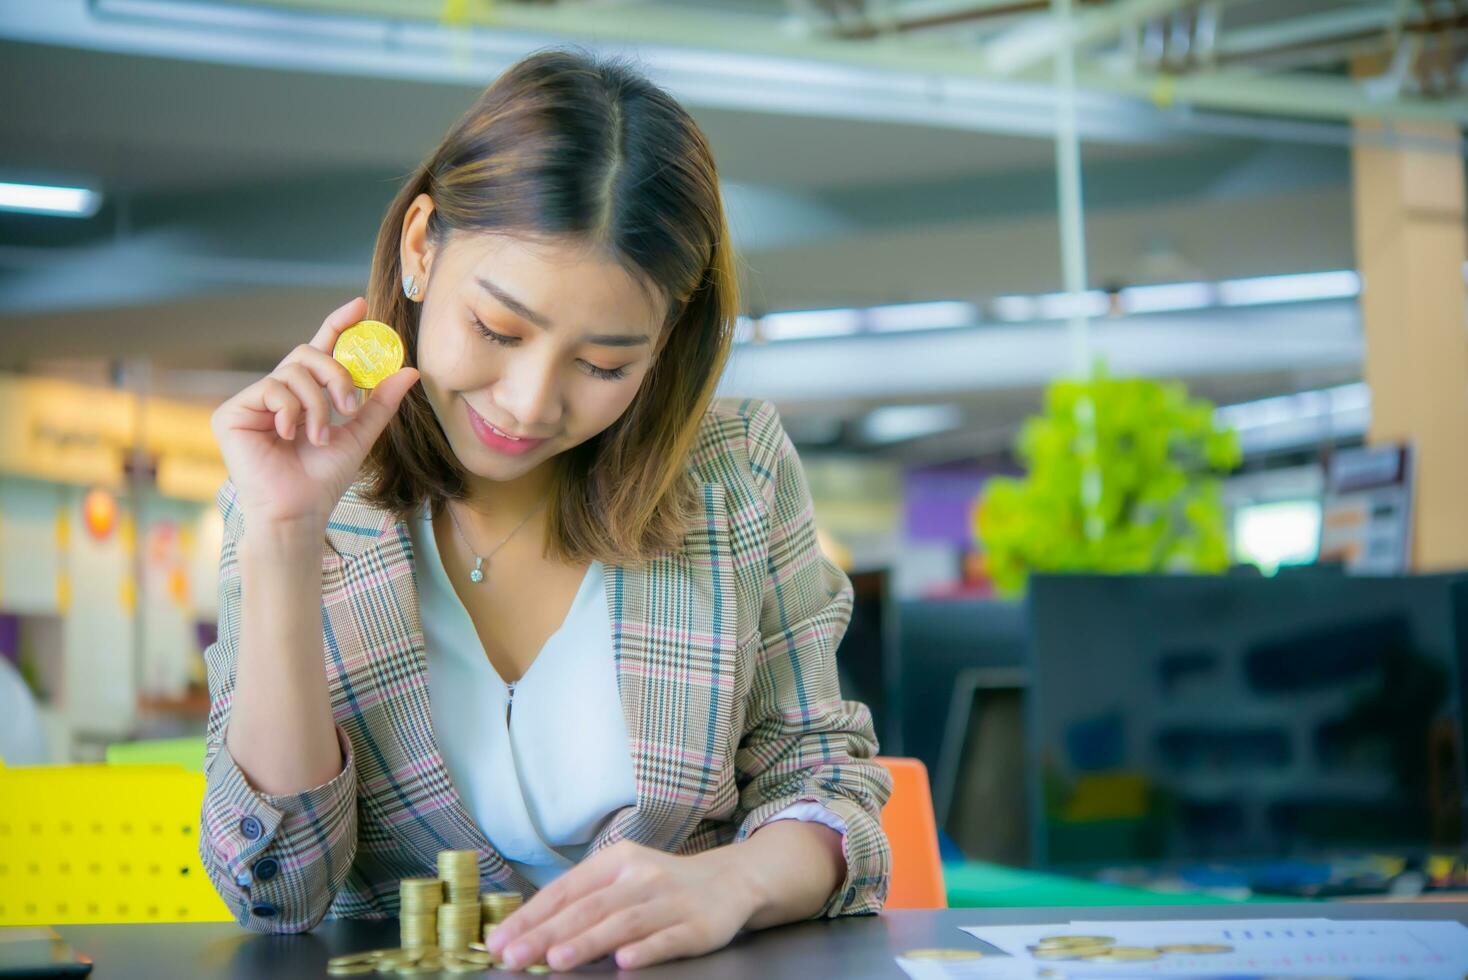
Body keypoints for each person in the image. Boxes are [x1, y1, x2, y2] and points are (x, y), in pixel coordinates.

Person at [200, 47, 892, 971]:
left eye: (604, 365)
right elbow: (279, 891)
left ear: (665, 346)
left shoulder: (738, 475)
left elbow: (825, 780)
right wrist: (285, 535)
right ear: (419, 248)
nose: (529, 404)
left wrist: (737, 881)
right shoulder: (296, 494)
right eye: (498, 329)